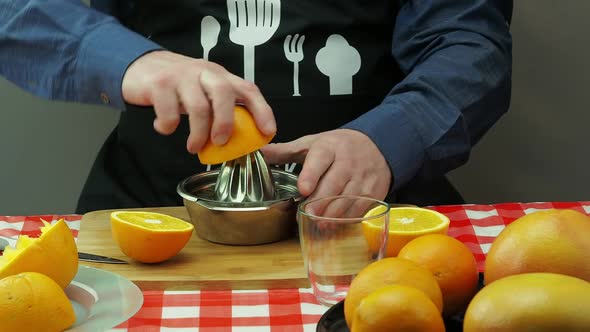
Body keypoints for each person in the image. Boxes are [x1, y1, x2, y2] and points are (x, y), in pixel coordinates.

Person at [0, 0, 513, 214]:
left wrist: (390, 137)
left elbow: (470, 41)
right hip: (151, 211)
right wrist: (129, 60)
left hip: (371, 218)